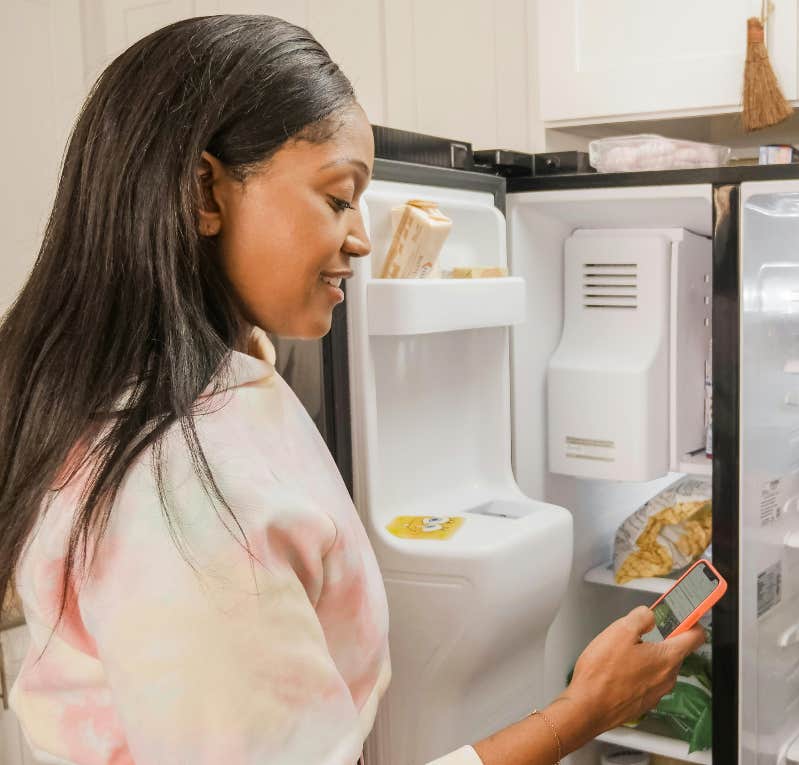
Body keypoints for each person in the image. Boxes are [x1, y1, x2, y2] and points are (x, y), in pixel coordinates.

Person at [0, 15, 705, 765]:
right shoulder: (184, 502)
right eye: (339, 198)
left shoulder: (207, 382)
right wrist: (582, 712)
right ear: (204, 192)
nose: (363, 238)